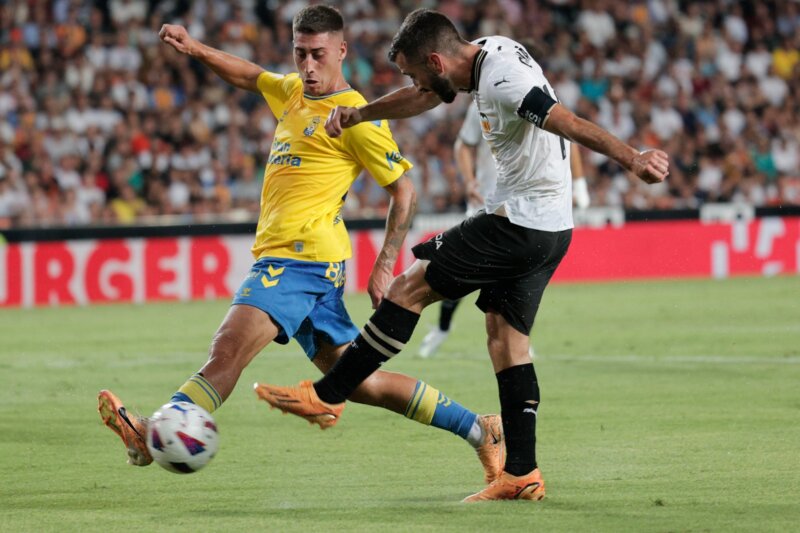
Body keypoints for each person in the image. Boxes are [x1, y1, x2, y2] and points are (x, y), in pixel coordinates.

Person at [255, 9, 668, 502]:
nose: (415, 83)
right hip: (551, 228)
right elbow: (425, 95)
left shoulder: (504, 81)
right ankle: (521, 473)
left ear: (435, 59)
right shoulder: (480, 53)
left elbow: (569, 122)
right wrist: (363, 114)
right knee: (506, 340)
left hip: (519, 221)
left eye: (414, 72)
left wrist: (634, 159)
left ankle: (327, 394)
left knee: (410, 286)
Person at [96, 5, 504, 486]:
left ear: (341, 52)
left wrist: (385, 263)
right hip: (307, 262)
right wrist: (198, 49)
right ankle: (481, 430)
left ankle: (155, 432)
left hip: (299, 260)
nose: (308, 66)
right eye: (300, 54)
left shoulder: (357, 116)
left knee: (227, 350)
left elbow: (404, 190)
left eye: (317, 55)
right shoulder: (291, 90)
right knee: (361, 382)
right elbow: (252, 76)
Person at [418, 97, 591, 358]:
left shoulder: (540, 102)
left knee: (514, 276)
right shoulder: (484, 104)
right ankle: (442, 328)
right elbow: (464, 145)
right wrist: (469, 181)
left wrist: (579, 185)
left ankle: (517, 337)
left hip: (523, 207)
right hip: (484, 202)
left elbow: (570, 136)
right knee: (458, 273)